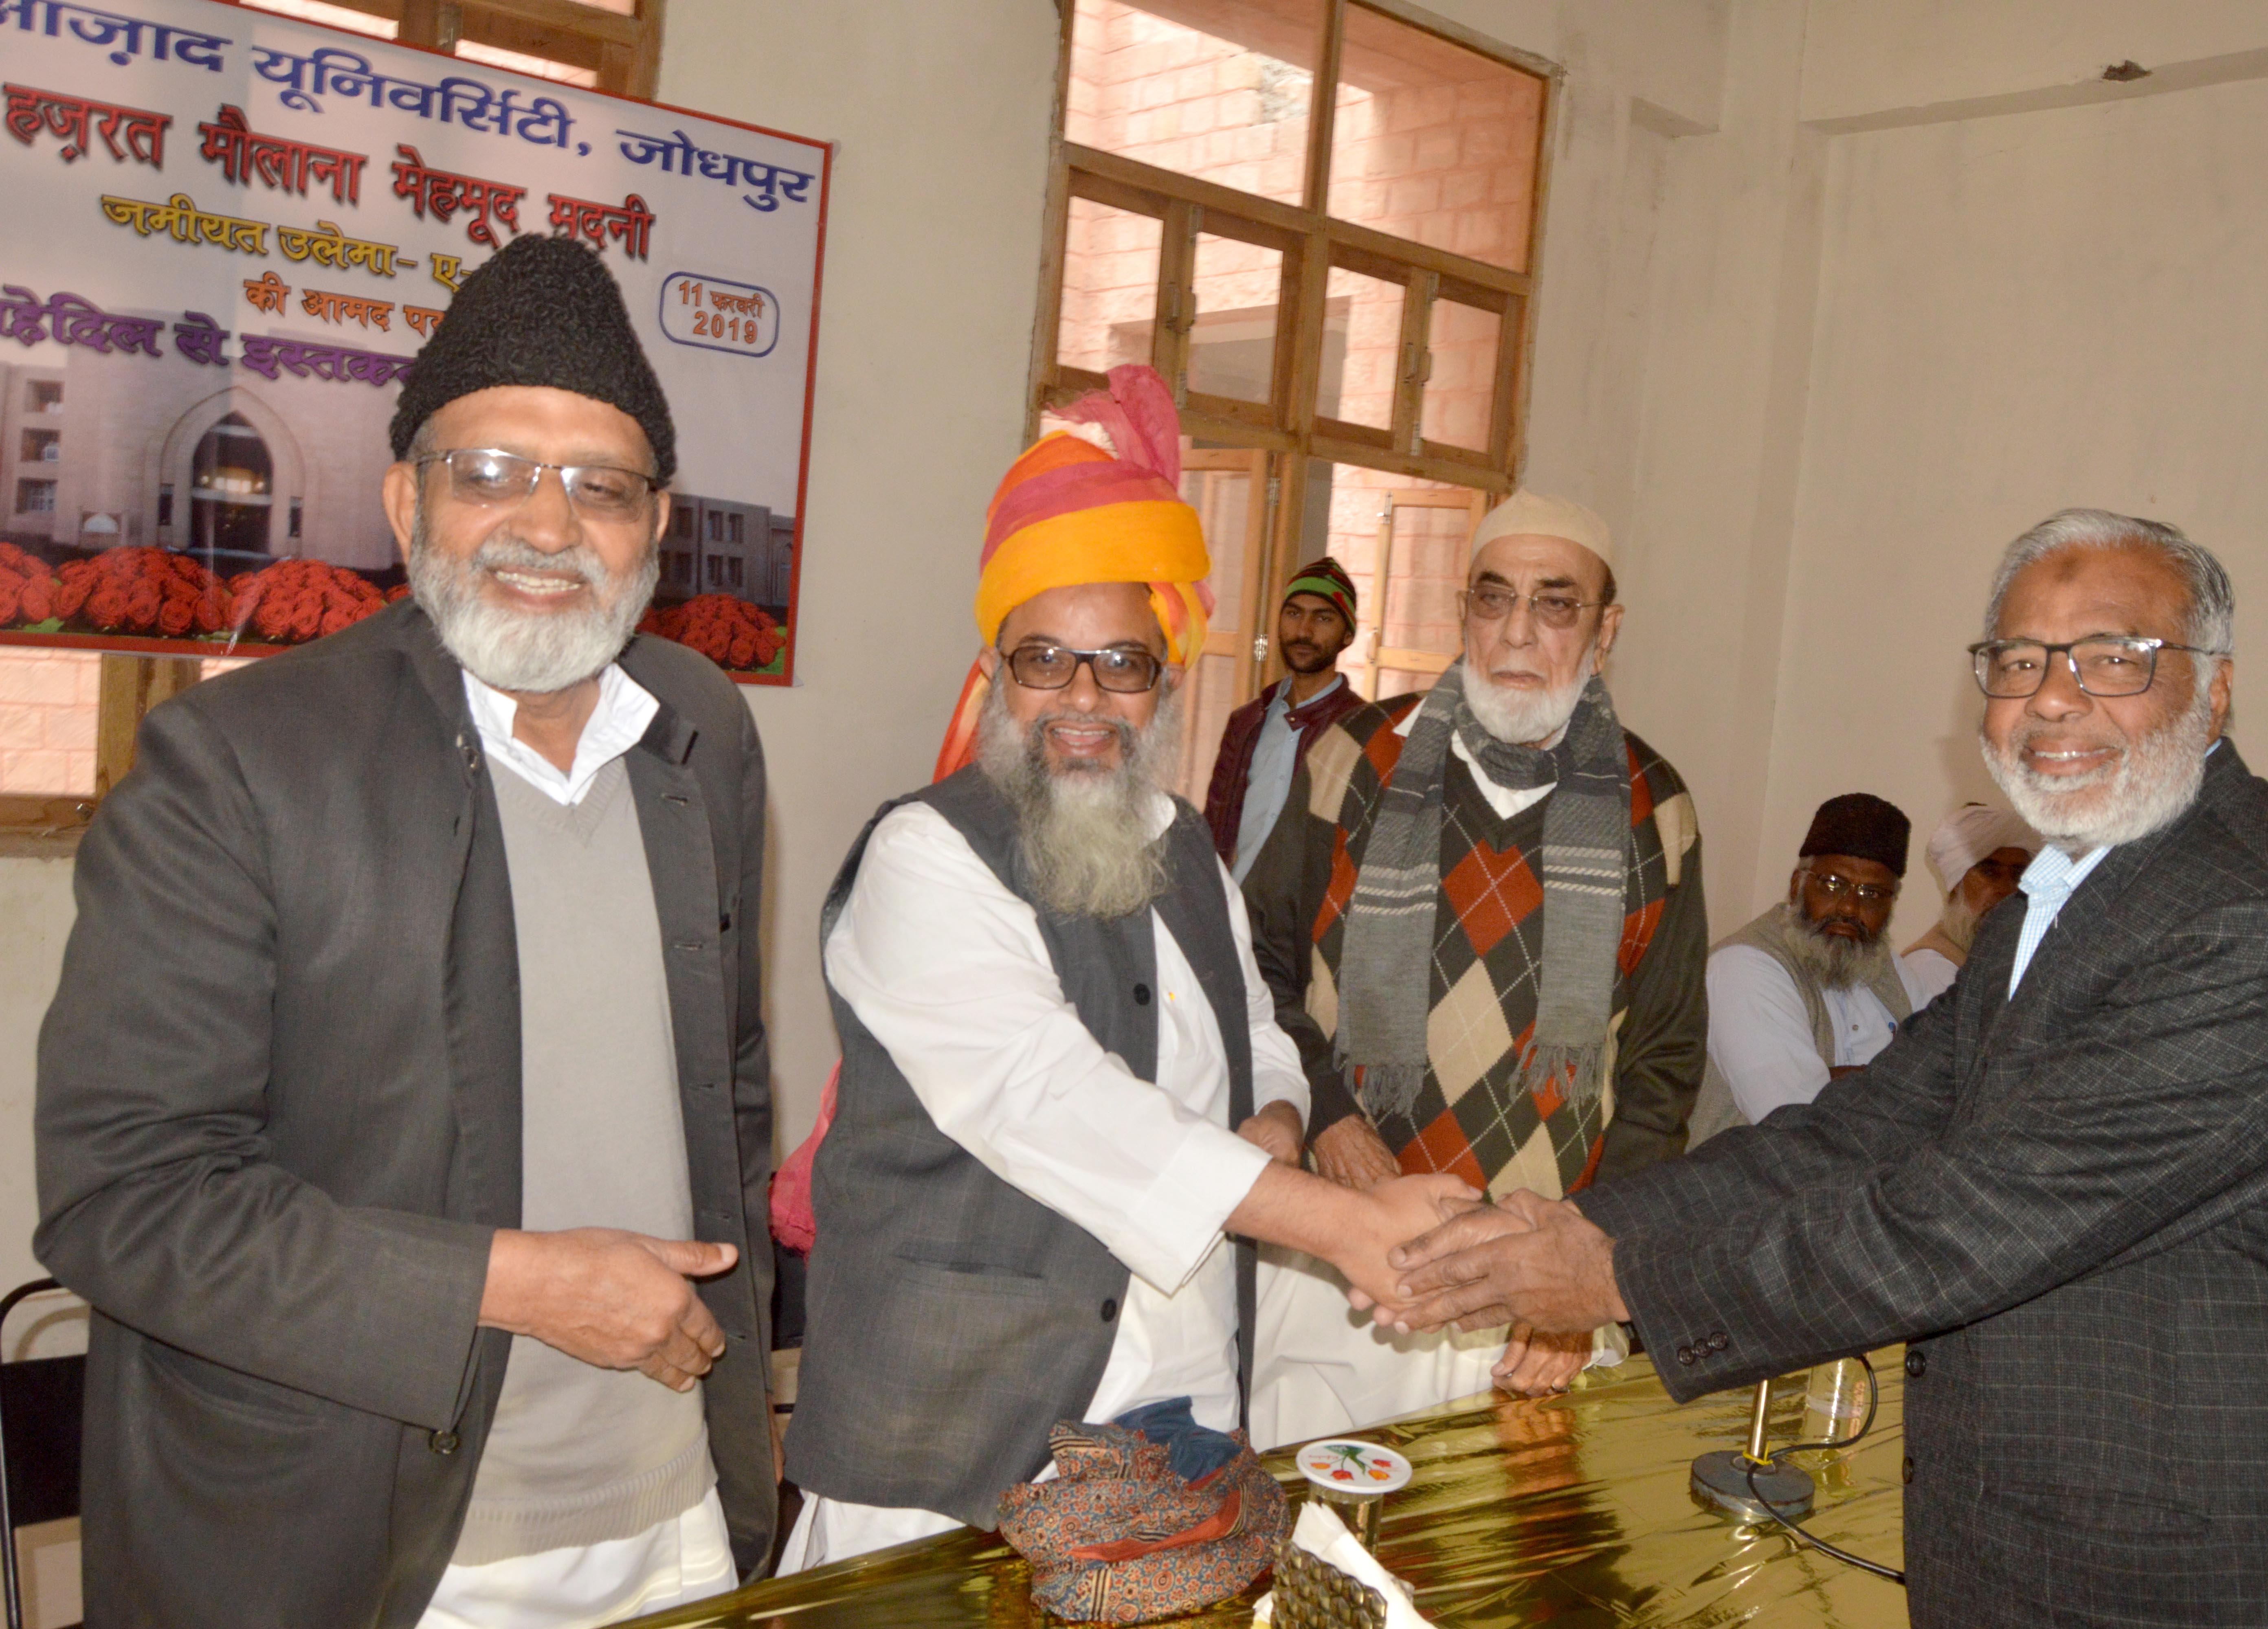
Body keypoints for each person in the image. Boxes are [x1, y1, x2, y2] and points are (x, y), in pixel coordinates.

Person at [1371, 509, 2268, 1627]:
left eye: (2110, 657)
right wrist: (1586, 1225)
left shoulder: (2267, 930)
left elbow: (1965, 1222)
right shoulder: (2068, 896)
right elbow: (1862, 1127)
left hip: (2208, 1579)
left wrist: (1617, 1282)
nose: (2053, 697)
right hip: (2044, 1550)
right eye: (2019, 661)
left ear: (2214, 691)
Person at [34, 235, 778, 1629]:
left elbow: (723, 1091)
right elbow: (126, 1200)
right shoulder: (238, 763)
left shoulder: (700, 730)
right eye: (491, 472)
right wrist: (519, 1284)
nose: (548, 527)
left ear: (656, 524)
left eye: (601, 486)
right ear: (403, 498)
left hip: (670, 1515)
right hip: (368, 1552)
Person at [778, 366, 1473, 1568]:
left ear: (1168, 679)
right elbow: (1051, 1100)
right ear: (995, 670)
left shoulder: (1183, 845)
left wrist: (1272, 1116)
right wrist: (1341, 1222)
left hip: (1173, 1410)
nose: (1083, 699)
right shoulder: (922, 855)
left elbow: (1258, 1029)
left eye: (1122, 664)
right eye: (1045, 660)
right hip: (960, 1444)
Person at [1238, 491, 1707, 1446]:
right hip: (1334, 1257)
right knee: (1302, 1518)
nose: (1518, 632)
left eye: (1555, 603)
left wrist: (1587, 1266)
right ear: (1463, 612)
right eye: (1494, 599)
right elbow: (1251, 963)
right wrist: (1328, 1116)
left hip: (1524, 1292)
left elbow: (1661, 1068)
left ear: (1605, 630)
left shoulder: (1654, 808)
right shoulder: (1351, 760)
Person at [1684, 793, 1924, 1145]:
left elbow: (1941, 1074)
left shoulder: (1889, 968)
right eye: (1833, 885)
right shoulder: (1744, 965)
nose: (1850, 908)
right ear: (1797, 884)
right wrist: (1902, 1085)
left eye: (1872, 894)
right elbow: (1797, 1120)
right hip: (1753, 1177)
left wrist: (1840, 1081)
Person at [1203, 556, 1365, 881]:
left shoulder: (1361, 730)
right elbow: (1215, 825)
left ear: (1348, 635)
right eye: (1293, 614)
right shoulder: (1247, 722)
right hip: (1231, 903)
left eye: (1323, 618)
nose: (1304, 631)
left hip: (1307, 911)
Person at [1897, 802, 2037, 1001]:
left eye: (2017, 875)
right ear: (1957, 883)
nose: (2007, 891)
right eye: (1989, 873)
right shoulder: (1932, 967)